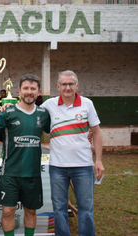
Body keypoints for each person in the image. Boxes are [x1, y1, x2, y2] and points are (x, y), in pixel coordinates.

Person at [0, 74, 50, 236]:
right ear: (19, 90)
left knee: (31, 212)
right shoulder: (8, 112)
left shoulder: (43, 114)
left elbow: (56, 133)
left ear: (38, 92)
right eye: (26, 88)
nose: (29, 92)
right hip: (10, 172)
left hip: (32, 174)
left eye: (33, 89)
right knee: (8, 211)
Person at [41, 70, 104, 236]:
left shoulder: (87, 104)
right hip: (57, 167)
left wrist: (98, 161)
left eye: (71, 84)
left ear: (77, 85)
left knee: (86, 209)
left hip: (83, 166)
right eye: (64, 84)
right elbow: (30, 111)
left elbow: (96, 132)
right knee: (59, 209)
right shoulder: (49, 105)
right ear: (58, 86)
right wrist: (8, 105)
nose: (67, 87)